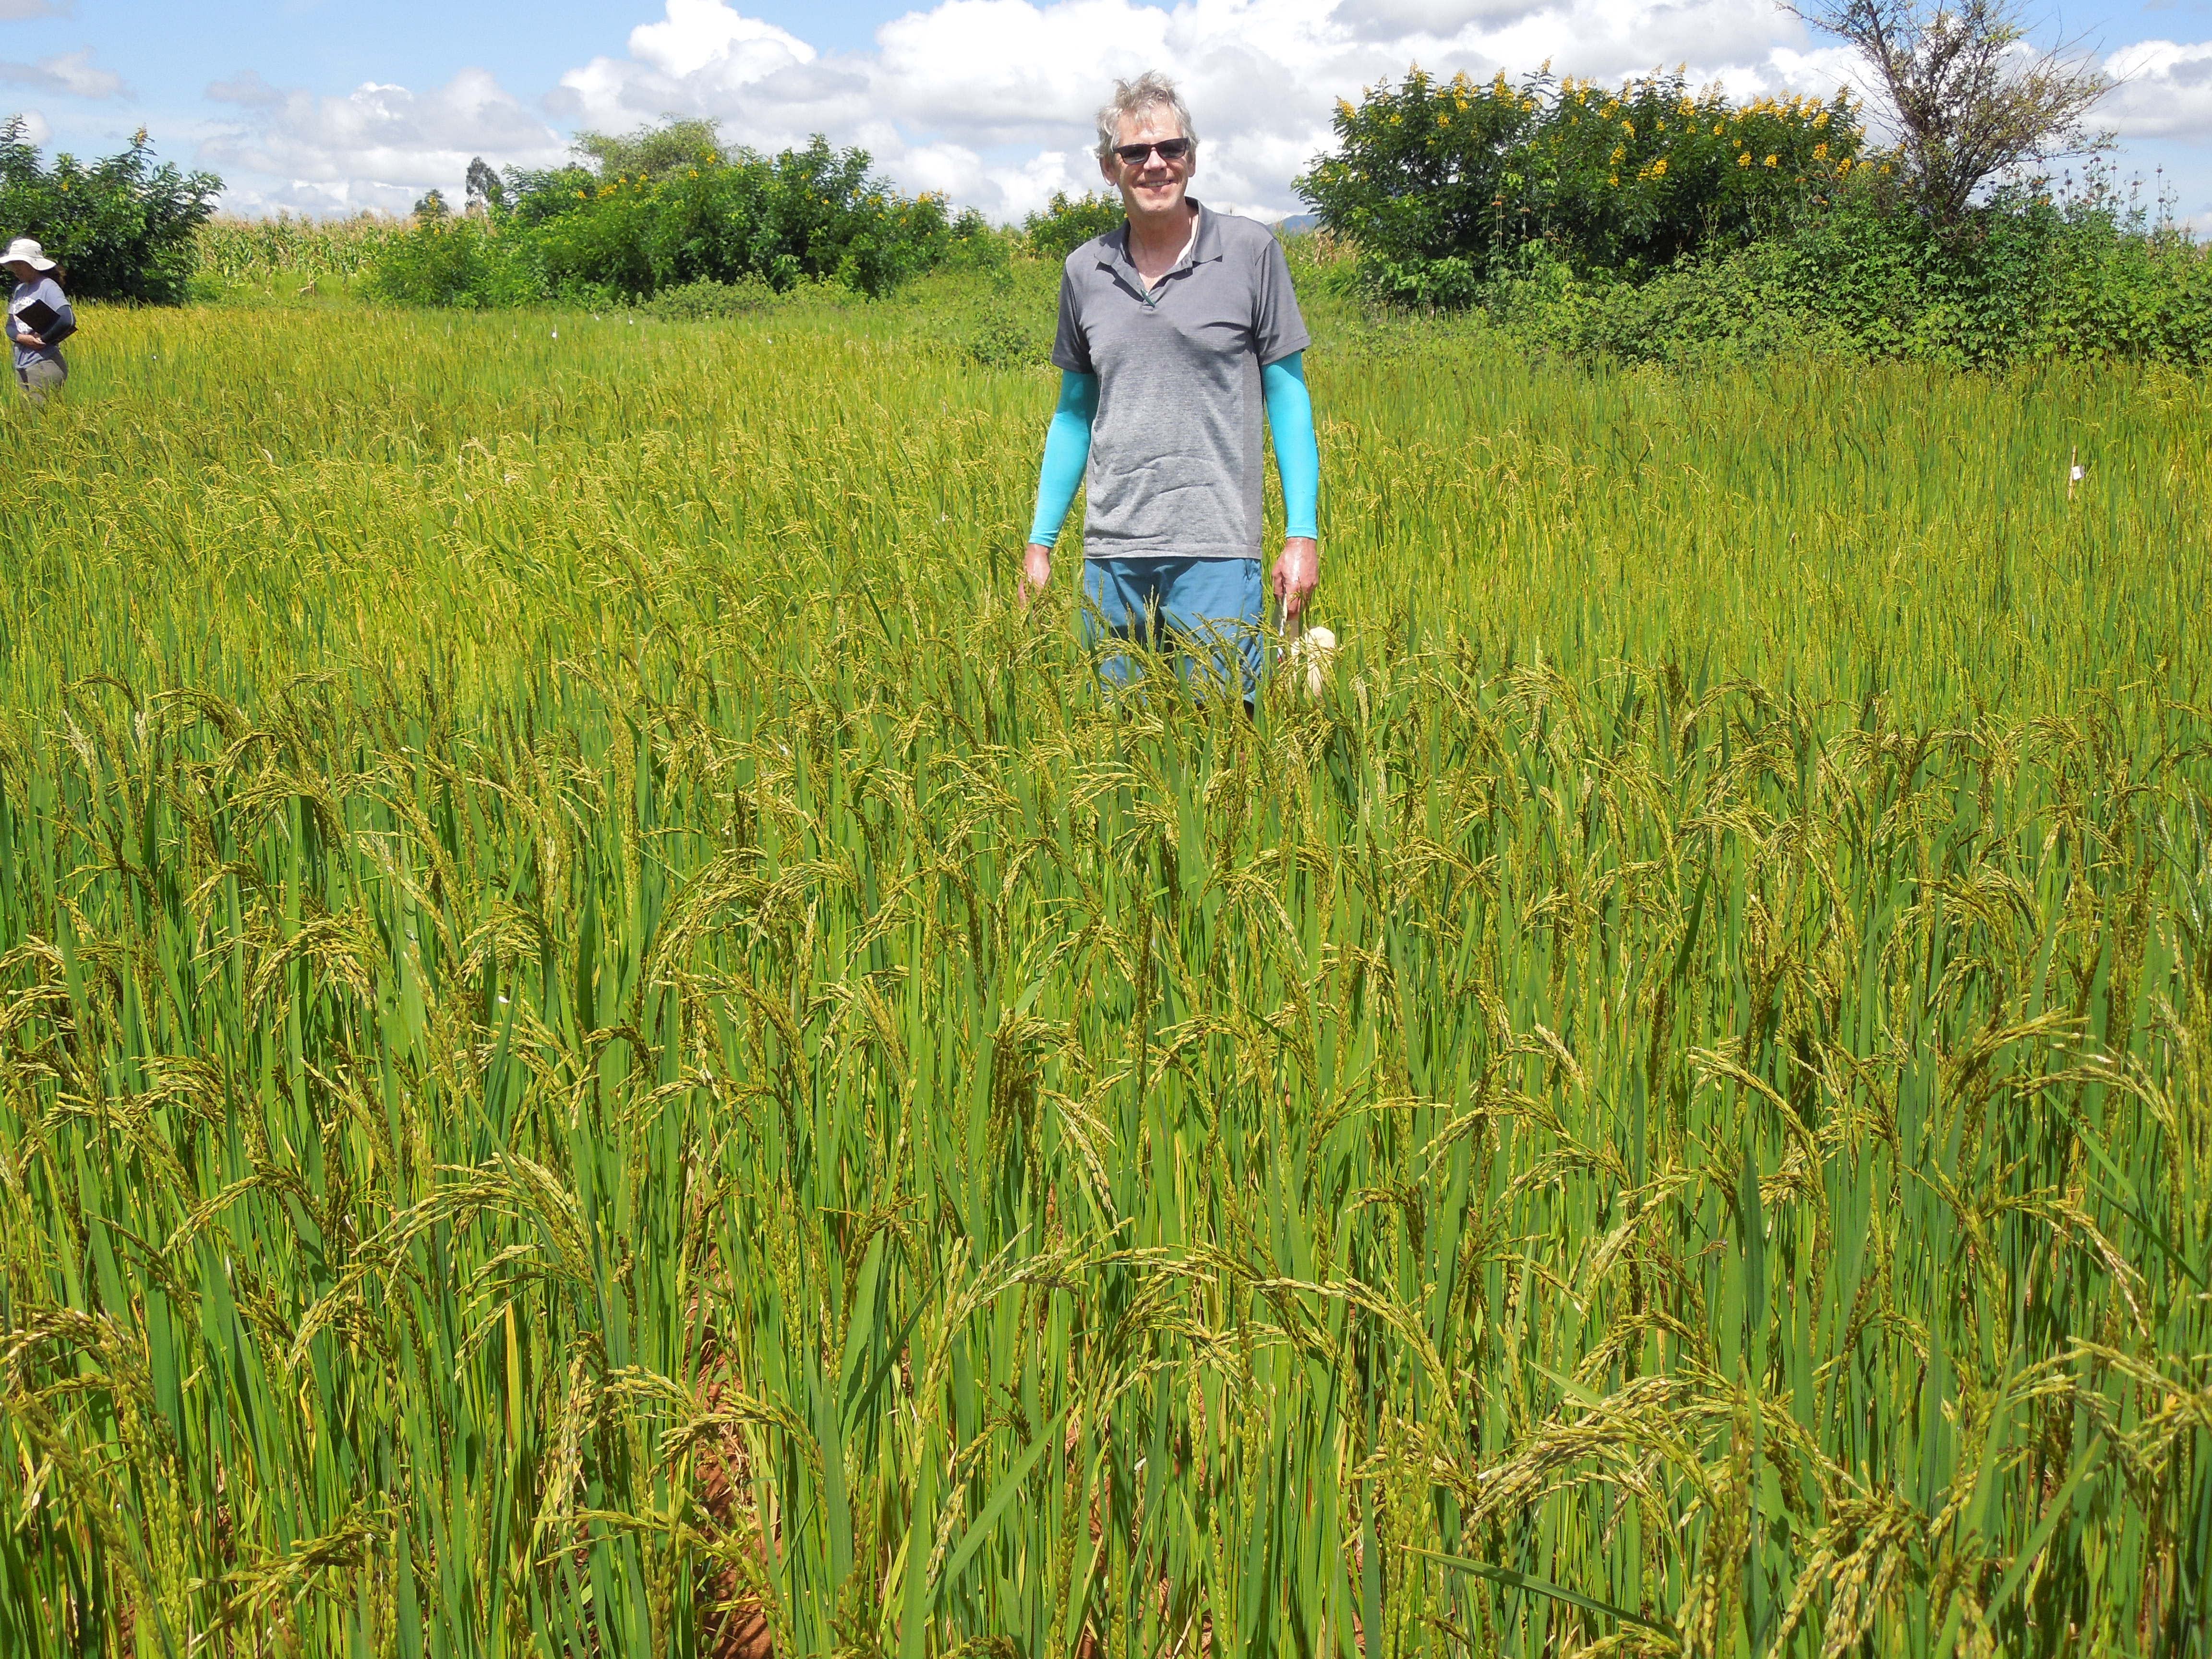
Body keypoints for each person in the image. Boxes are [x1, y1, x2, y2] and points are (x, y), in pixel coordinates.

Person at [1019, 72, 1321, 706]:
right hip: (1113, 558)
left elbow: (1288, 396)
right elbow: (1074, 415)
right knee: (1119, 744)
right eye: (1136, 153)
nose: (1156, 165)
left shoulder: (1249, 252)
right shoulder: (1084, 270)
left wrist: (1302, 535)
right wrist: (1041, 543)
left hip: (1217, 552)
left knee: (1224, 744)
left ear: (1191, 156)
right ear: (1110, 167)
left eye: (1171, 149)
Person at [5, 238, 74, 405]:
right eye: (13, 264)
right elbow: (10, 326)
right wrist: (22, 338)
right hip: (22, 364)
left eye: (19, 263)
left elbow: (67, 319)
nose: (15, 269)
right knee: (27, 421)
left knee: (40, 421)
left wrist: (43, 340)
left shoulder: (48, 286)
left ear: (33, 264)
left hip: (44, 364)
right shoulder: (20, 289)